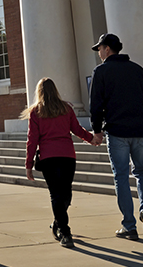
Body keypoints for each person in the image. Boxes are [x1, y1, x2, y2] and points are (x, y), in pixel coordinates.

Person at [88, 32, 143, 240]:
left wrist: (97, 130)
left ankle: (129, 225)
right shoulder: (138, 70)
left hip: (117, 131)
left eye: (100, 49)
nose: (99, 53)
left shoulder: (101, 72)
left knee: (121, 176)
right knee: (142, 172)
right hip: (139, 130)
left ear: (107, 49)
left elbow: (96, 105)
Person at [23, 77, 96, 249]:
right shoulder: (66, 108)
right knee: (66, 193)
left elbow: (32, 140)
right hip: (67, 156)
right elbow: (77, 130)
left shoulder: (36, 112)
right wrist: (91, 138)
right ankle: (64, 228)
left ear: (39, 92)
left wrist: (28, 164)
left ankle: (61, 227)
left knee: (57, 194)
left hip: (49, 158)